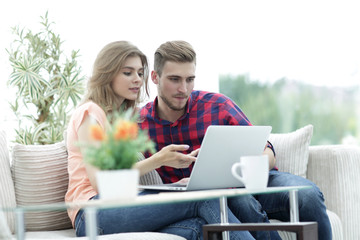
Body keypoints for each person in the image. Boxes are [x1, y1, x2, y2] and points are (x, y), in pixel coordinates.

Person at [139, 40, 332, 240]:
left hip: (256, 182)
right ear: (155, 77)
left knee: (308, 194)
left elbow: (267, 151)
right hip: (214, 197)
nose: (183, 89)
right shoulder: (140, 125)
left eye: (190, 79)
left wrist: (251, 168)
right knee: (238, 201)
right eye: (175, 79)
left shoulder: (217, 105)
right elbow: (120, 172)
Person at [65, 40, 256, 240]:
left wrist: (173, 188)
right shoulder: (90, 113)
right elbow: (102, 182)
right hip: (92, 213)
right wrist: (159, 159)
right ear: (107, 74)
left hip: (117, 206)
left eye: (140, 73)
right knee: (204, 198)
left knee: (200, 227)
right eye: (128, 73)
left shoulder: (122, 120)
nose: (137, 79)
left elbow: (125, 181)